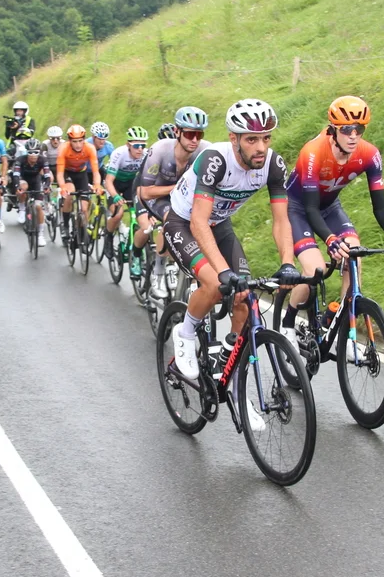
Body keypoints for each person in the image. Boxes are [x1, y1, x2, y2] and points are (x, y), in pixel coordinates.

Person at [164, 99, 298, 378]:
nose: (261, 147)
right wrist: (224, 271)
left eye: (266, 138)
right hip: (183, 223)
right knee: (215, 284)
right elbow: (198, 221)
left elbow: (281, 220)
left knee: (245, 297)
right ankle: (185, 332)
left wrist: (288, 263)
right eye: (251, 139)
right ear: (233, 139)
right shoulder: (215, 160)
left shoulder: (273, 164)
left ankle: (228, 361)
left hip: (219, 224)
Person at [279, 96, 384, 345]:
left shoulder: (369, 154)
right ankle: (288, 321)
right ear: (333, 129)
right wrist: (330, 239)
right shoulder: (312, 152)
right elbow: (310, 208)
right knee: (315, 270)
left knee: (354, 258)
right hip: (298, 209)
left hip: (330, 208)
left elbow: (380, 205)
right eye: (346, 130)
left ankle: (341, 328)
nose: (353, 136)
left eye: (359, 129)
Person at [138, 107, 214, 297]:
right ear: (177, 131)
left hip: (186, 198)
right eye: (189, 134)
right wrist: (177, 187)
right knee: (171, 220)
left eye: (199, 134)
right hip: (157, 197)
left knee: (199, 226)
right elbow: (145, 192)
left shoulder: (206, 150)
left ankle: (189, 272)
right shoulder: (160, 150)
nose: (194, 140)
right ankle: (158, 271)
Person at [102, 126, 148, 266]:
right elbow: (108, 181)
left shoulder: (146, 155)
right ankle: (108, 237)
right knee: (118, 214)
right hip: (114, 183)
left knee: (138, 214)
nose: (140, 149)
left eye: (143, 146)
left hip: (130, 184)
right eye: (136, 146)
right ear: (128, 145)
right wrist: (115, 196)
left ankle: (134, 245)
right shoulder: (119, 154)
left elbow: (146, 179)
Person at [55, 124, 100, 244]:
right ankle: (65, 225)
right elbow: (59, 174)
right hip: (67, 173)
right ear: (69, 141)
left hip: (81, 174)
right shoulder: (63, 149)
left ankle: (79, 232)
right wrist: (63, 187)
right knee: (69, 195)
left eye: (80, 141)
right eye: (75, 142)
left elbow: (96, 172)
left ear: (84, 139)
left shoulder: (90, 148)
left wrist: (97, 185)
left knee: (84, 209)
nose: (78, 145)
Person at [12, 138, 51, 245]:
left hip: (36, 181)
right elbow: (16, 175)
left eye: (36, 152)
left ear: (39, 152)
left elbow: (47, 175)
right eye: (30, 152)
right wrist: (17, 187)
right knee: (23, 187)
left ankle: (40, 234)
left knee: (38, 207)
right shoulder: (20, 159)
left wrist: (46, 186)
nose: (33, 155)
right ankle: (22, 208)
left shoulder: (43, 160)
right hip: (23, 179)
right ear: (26, 152)